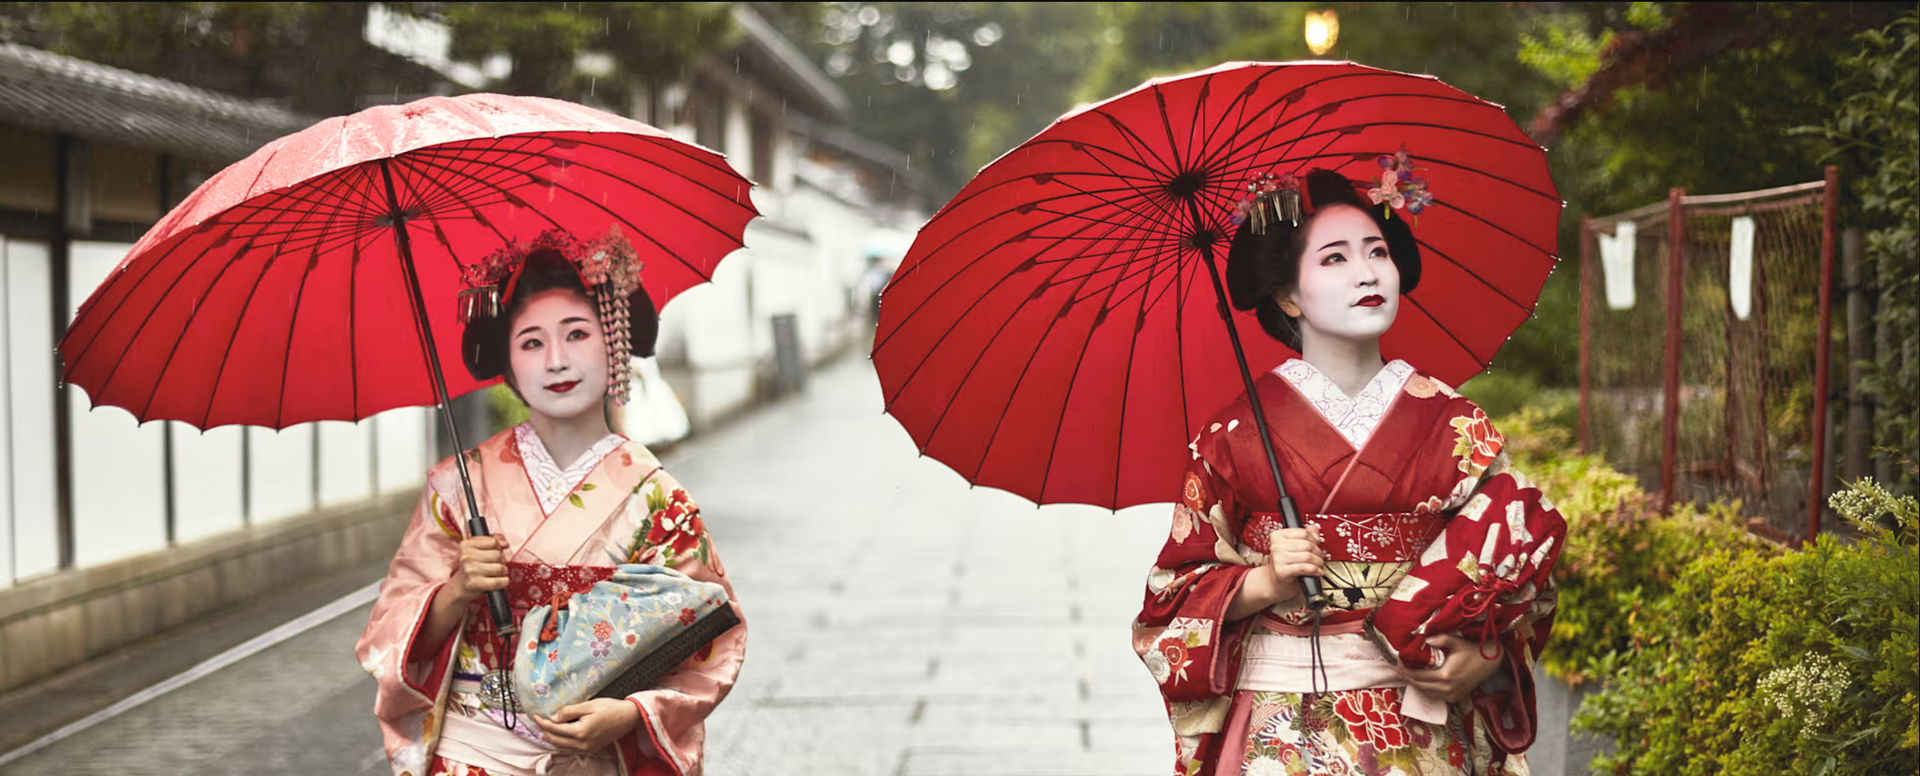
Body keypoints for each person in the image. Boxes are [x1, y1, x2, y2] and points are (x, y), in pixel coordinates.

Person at [1132, 169, 1564, 776]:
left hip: (1426, 721)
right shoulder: (1233, 437)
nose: (1367, 273)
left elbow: (1519, 558)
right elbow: (1167, 600)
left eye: (1378, 252)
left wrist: (1484, 657)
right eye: (1334, 259)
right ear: (1287, 296)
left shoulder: (1455, 424)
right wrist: (1261, 583)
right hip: (1282, 729)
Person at [356, 227, 746, 776]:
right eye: (532, 343)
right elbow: (390, 630)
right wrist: (456, 590)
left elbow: (710, 633)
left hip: (593, 752)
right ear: (509, 365)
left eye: (577, 334)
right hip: (472, 756)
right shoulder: (457, 485)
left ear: (613, 342)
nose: (557, 360)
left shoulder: (657, 495)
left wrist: (631, 711)